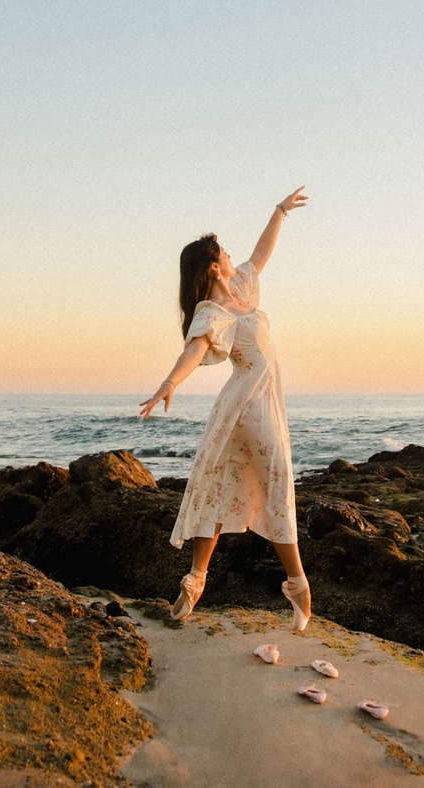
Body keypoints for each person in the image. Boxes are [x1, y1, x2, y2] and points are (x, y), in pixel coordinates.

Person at [139, 187, 316, 632]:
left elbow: (260, 252)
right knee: (278, 485)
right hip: (250, 405)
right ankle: (297, 582)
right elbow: (194, 351)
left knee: (220, 489)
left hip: (254, 404)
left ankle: (195, 580)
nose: (233, 254)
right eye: (224, 251)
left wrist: (278, 211)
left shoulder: (241, 289)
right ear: (214, 264)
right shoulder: (212, 310)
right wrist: (168, 383)